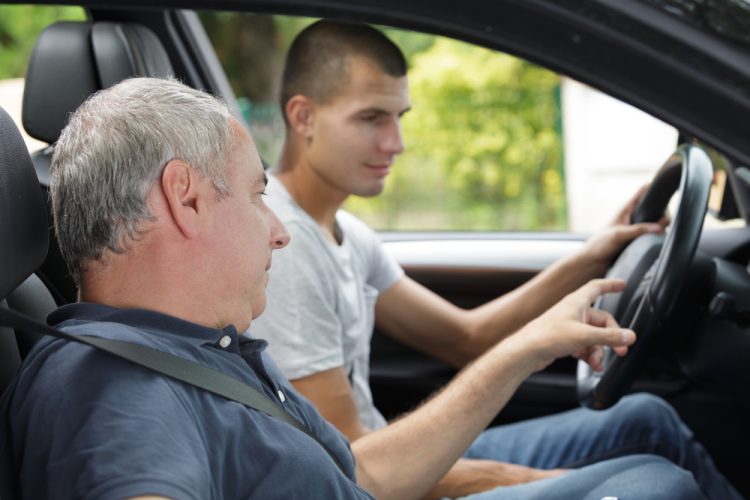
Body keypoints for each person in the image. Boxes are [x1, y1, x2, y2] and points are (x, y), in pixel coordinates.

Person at [0, 77, 713, 499]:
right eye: (256, 198)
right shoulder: (119, 395)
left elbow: (362, 475)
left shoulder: (191, 343)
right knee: (661, 485)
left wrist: (525, 349)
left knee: (649, 466)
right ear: (185, 200)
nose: (278, 231)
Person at [250, 20, 742, 499]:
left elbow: (466, 338)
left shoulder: (349, 234)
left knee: (647, 419)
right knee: (658, 482)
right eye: (371, 118)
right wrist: (536, 480)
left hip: (397, 458)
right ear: (304, 116)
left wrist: (593, 254)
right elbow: (354, 468)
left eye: (400, 118)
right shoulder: (286, 244)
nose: (395, 143)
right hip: (376, 481)